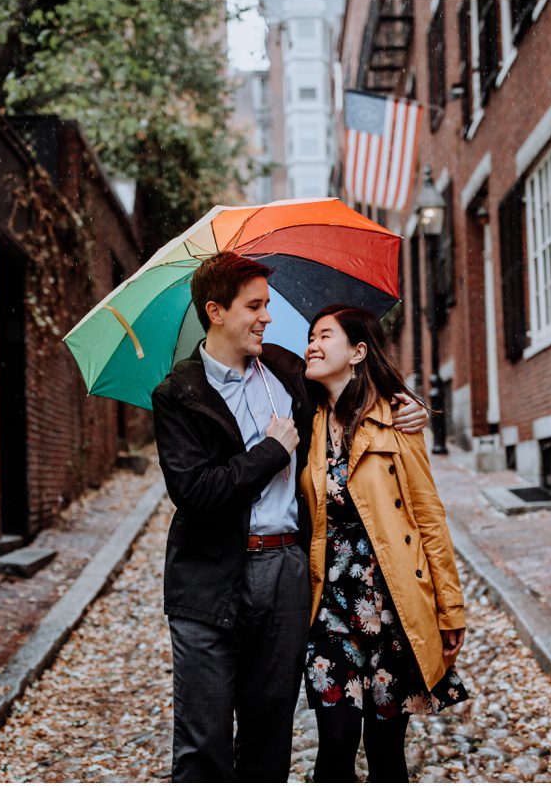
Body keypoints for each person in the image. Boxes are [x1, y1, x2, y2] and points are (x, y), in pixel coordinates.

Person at [151, 254, 428, 782]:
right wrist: (270, 453)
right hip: (207, 579)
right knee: (203, 738)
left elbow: (353, 392)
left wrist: (403, 406)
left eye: (267, 305)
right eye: (253, 306)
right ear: (215, 311)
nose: (266, 317)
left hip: (285, 573)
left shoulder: (286, 370)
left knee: (268, 729)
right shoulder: (178, 395)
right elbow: (196, 493)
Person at [299, 304, 469, 783]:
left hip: (393, 610)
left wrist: (449, 607)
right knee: (333, 748)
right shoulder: (305, 422)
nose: (312, 344)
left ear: (357, 351)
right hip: (330, 612)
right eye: (310, 336)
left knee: (386, 754)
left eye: (324, 335)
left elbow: (429, 518)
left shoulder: (397, 421)